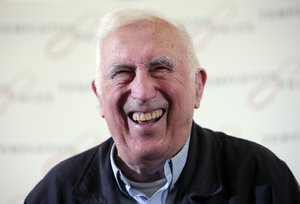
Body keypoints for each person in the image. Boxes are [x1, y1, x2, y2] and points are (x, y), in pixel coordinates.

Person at [25, 9, 300, 204]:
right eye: (122, 72)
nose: (142, 91)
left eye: (160, 67)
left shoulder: (262, 179)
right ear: (99, 97)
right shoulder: (54, 194)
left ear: (197, 87)